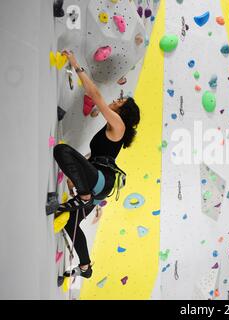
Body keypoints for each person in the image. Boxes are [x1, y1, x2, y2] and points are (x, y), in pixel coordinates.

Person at [53, 50, 140, 278]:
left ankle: (83, 196)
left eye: (119, 101)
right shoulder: (111, 131)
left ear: (123, 112)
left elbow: (96, 95)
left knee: (61, 150)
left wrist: (75, 63)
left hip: (99, 184)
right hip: (97, 186)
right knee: (71, 222)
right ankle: (85, 267)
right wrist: (75, 176)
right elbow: (94, 157)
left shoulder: (119, 125)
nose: (115, 101)